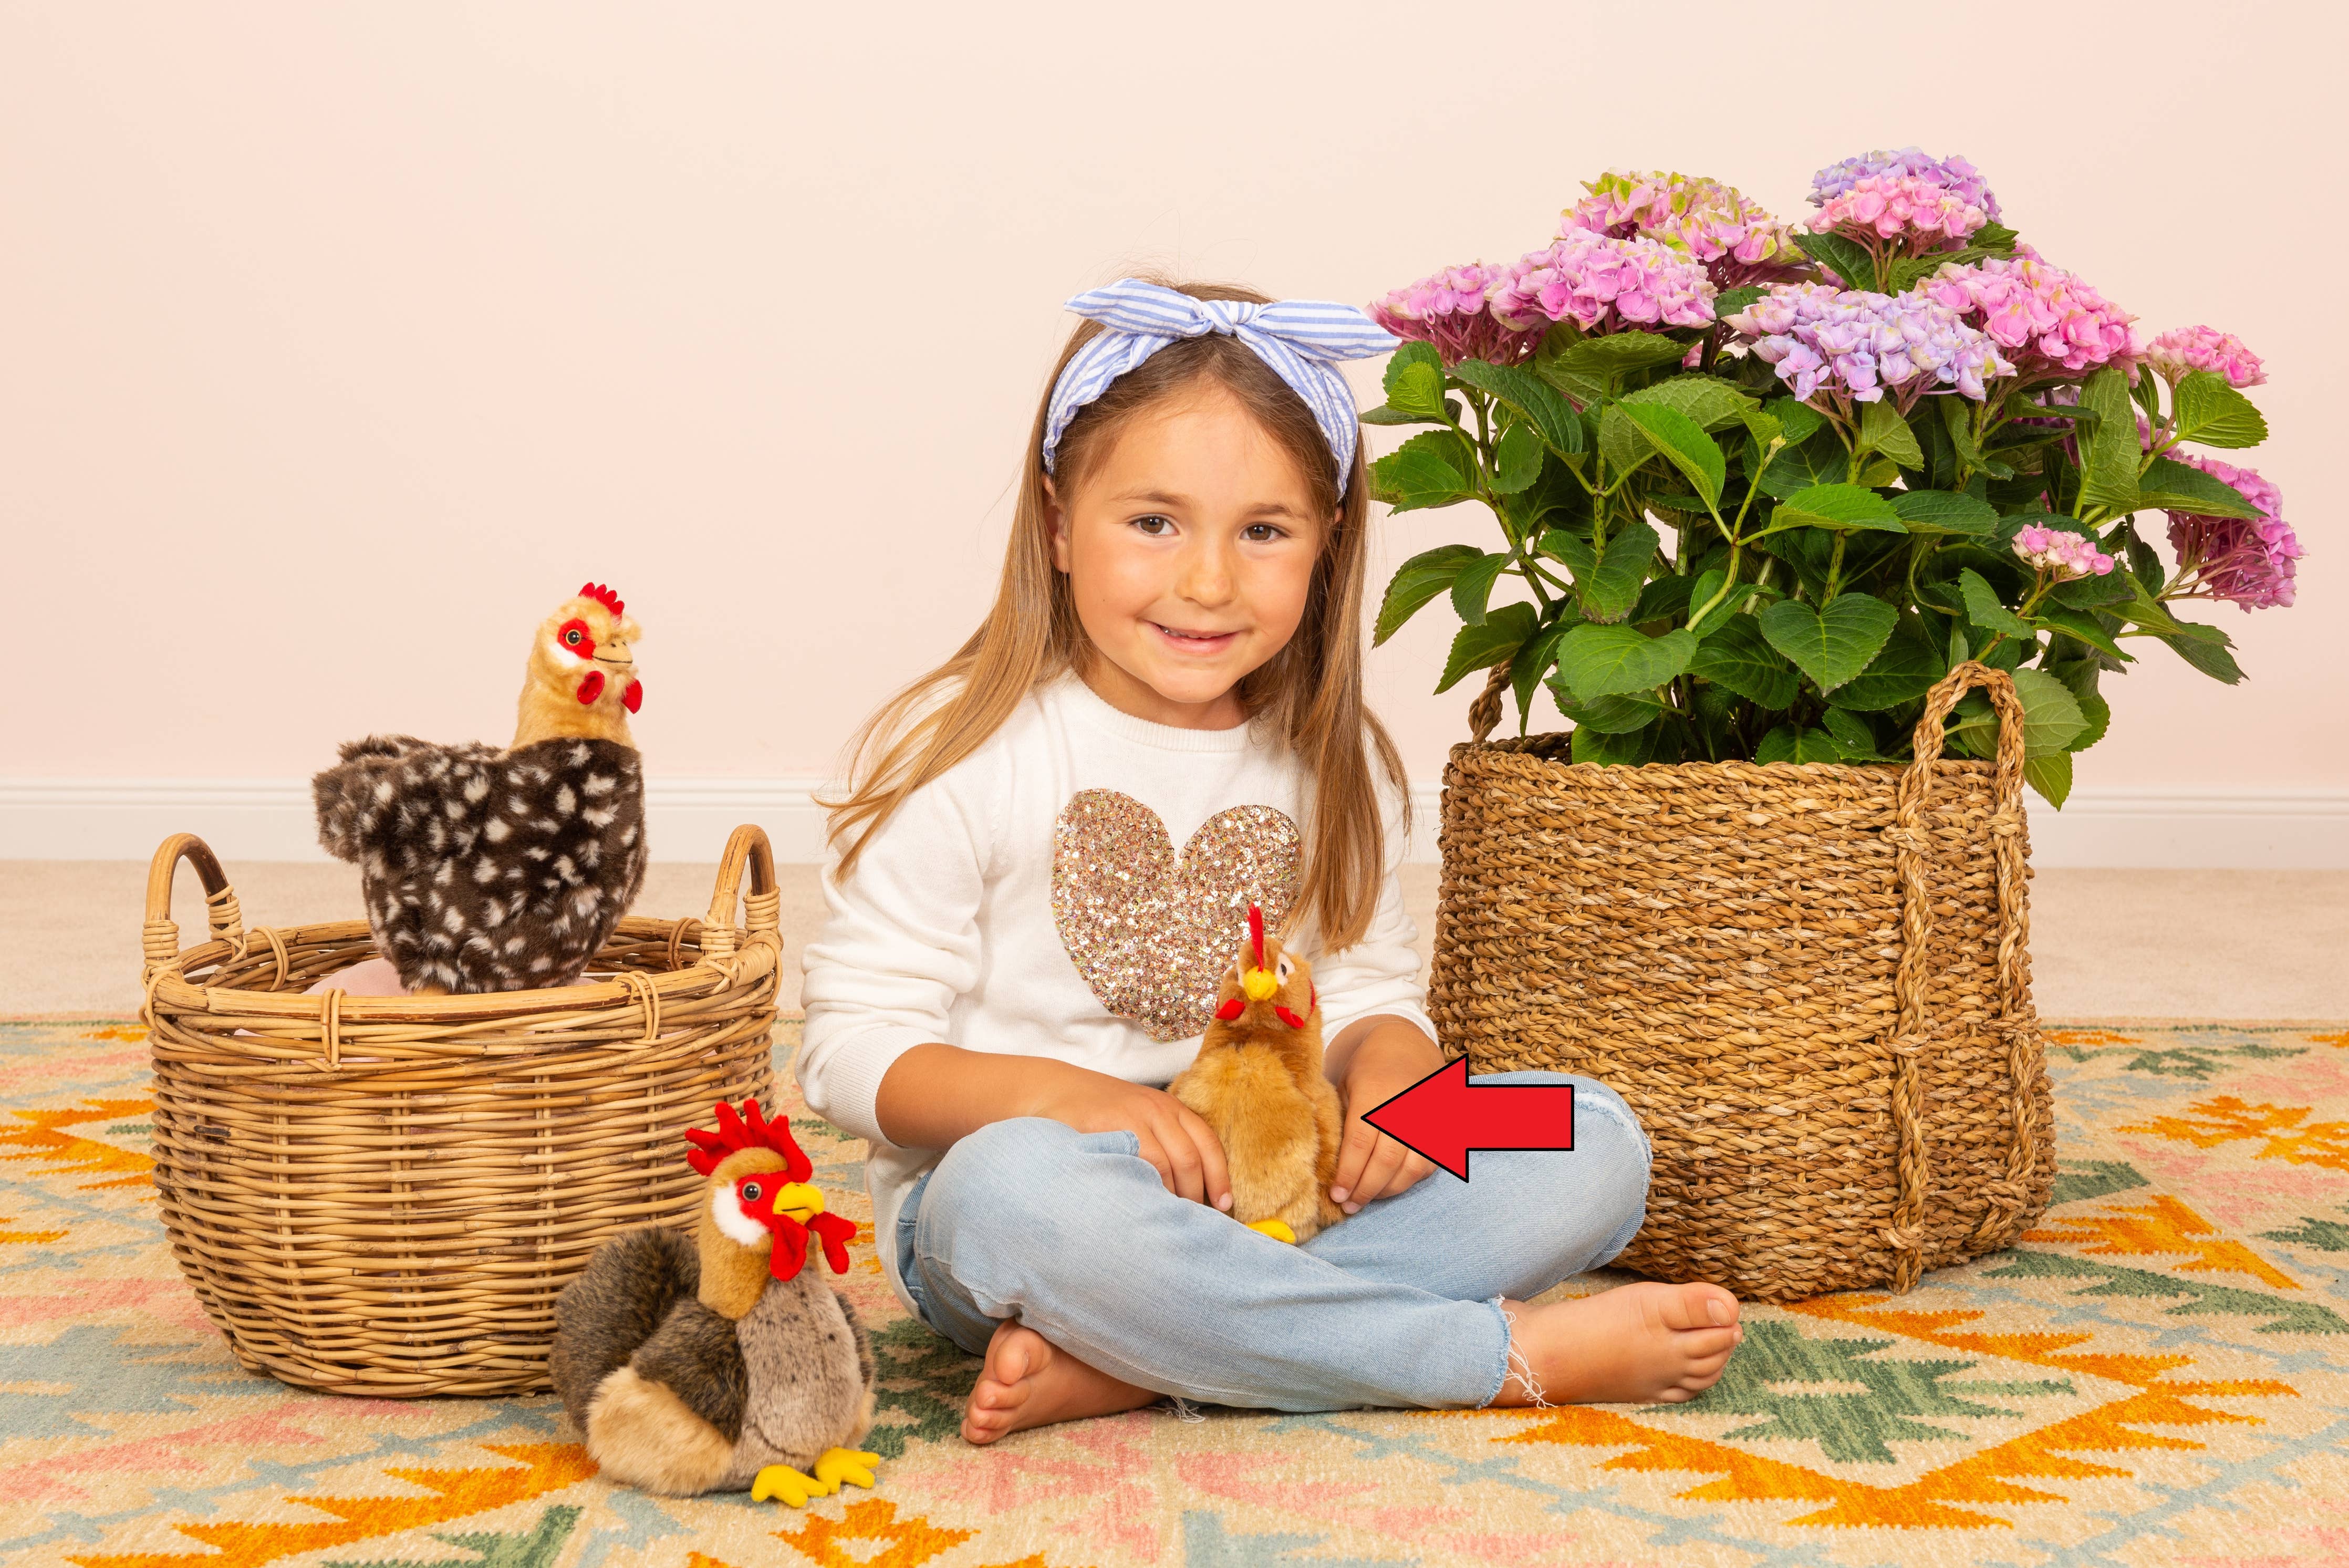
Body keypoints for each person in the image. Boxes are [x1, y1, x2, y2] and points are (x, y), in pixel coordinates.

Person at [798, 277, 1741, 1445]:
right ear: (1057, 524)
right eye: (1154, 522)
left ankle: (1146, 1355)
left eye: (1263, 530)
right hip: (1048, 1196)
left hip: (1285, 1176)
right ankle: (1485, 1359)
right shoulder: (964, 747)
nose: (1208, 581)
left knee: (1587, 1132)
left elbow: (1368, 991)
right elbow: (849, 1053)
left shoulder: (1333, 757)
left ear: (1327, 538)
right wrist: (1063, 1097)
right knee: (1007, 1187)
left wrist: (1393, 1065)